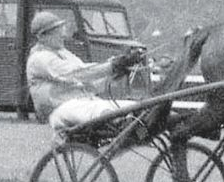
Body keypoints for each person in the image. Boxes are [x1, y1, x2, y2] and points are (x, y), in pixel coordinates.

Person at [24, 11, 146, 140]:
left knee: (135, 107)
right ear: (42, 36)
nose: (62, 35)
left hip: (85, 103)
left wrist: (117, 71)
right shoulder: (40, 58)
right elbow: (80, 73)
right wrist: (112, 65)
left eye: (61, 29)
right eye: (56, 31)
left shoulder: (65, 54)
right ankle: (124, 125)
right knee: (101, 110)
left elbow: (92, 85)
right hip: (60, 109)